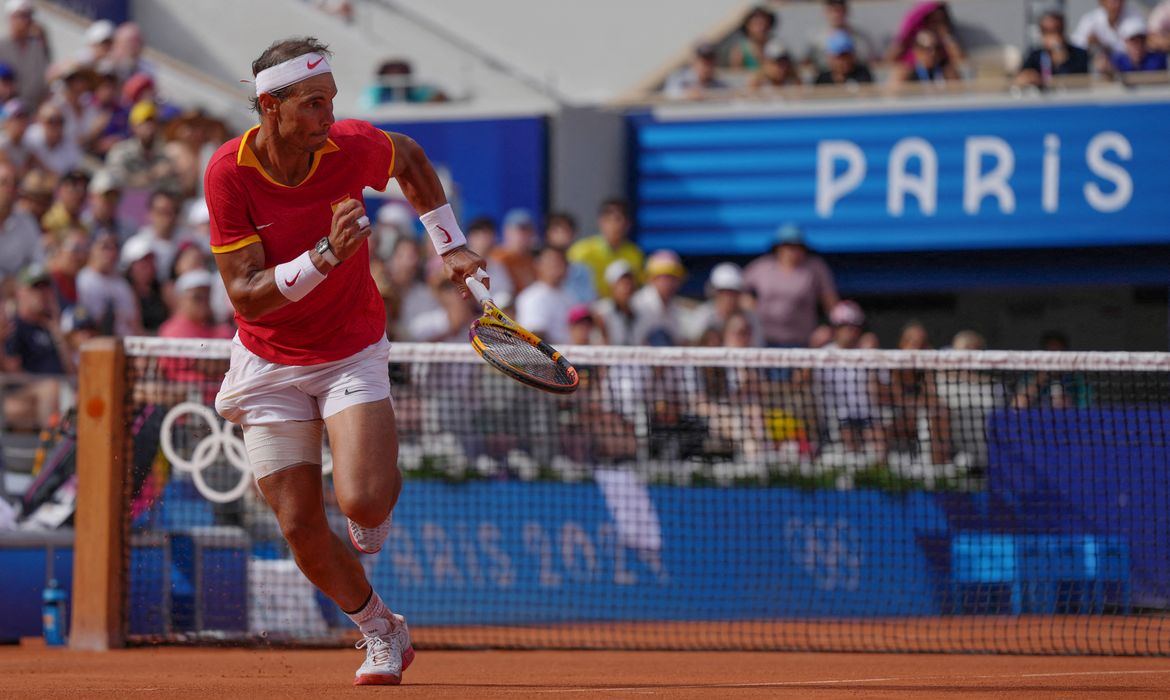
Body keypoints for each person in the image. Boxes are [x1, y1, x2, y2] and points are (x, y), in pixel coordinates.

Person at [205, 37, 485, 686]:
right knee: (301, 525)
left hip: (348, 350)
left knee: (361, 502)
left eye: (330, 99)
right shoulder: (227, 171)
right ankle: (381, 630)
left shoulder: (349, 144)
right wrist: (325, 258)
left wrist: (451, 246)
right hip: (267, 359)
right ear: (271, 108)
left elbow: (410, 159)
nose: (329, 115)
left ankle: (375, 495)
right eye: (312, 103)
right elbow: (247, 292)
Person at [743, 223, 838, 348]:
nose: (792, 251)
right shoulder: (762, 267)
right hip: (764, 342)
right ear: (778, 248)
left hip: (803, 342)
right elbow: (738, 291)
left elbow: (831, 303)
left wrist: (831, 329)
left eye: (796, 246)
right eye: (787, 246)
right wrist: (747, 306)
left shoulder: (815, 268)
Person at [568, 197, 643, 298]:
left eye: (621, 220)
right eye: (611, 219)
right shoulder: (581, 251)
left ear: (628, 224)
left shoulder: (634, 253)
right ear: (601, 221)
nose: (617, 225)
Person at [76, 231, 140, 336]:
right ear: (92, 249)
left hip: (125, 345)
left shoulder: (122, 284)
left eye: (114, 248)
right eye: (104, 247)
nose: (110, 253)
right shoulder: (82, 280)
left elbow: (135, 323)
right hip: (97, 345)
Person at [106, 101, 180, 191]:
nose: (150, 126)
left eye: (153, 122)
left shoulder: (164, 154)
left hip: (152, 202)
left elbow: (173, 188)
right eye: (145, 122)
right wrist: (153, 174)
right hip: (126, 201)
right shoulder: (121, 151)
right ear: (133, 127)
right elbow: (117, 182)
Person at [1016, 11, 1091, 88]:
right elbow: (1022, 76)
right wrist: (1029, 77)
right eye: (1046, 31)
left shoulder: (1079, 54)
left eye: (1056, 30)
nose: (1051, 36)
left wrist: (1061, 59)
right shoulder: (1035, 55)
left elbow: (1079, 79)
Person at [515, 246, 573, 345]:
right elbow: (534, 336)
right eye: (553, 263)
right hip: (549, 357)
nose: (558, 267)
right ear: (538, 265)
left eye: (561, 262)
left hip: (571, 354)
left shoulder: (568, 294)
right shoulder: (532, 296)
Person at [630, 249, 690, 345]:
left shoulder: (674, 307)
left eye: (673, 277)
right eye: (664, 277)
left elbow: (679, 341)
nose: (669, 283)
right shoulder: (639, 304)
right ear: (651, 279)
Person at [124, 189, 184, 281]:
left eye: (173, 211)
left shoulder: (187, 243)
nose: (167, 218)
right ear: (150, 213)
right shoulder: (136, 245)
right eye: (162, 211)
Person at [0, 0, 50, 107]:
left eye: (28, 16)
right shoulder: (2, 45)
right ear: (11, 18)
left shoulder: (37, 47)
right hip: (7, 109)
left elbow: (43, 78)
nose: (26, 21)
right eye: (21, 16)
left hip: (32, 108)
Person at [158, 269, 234, 340]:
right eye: (197, 296)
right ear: (181, 299)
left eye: (207, 295)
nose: (204, 301)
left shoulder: (224, 331)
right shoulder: (172, 331)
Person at [0, 160, 41, 286]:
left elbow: (38, 260)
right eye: (4, 183)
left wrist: (22, 282)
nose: (10, 188)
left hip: (21, 287)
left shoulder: (27, 220)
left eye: (15, 183)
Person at [543, 211, 595, 305]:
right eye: (557, 230)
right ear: (548, 234)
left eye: (566, 230)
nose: (562, 234)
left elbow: (589, 300)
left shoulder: (582, 269)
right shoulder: (537, 266)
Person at [808, 0, 879, 69]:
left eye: (839, 10)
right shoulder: (816, 39)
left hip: (857, 77)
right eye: (831, 10)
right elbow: (810, 63)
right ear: (825, 12)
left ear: (846, 11)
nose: (836, 15)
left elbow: (871, 61)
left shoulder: (861, 38)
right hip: (825, 78)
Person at [888, 29, 960, 91]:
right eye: (927, 48)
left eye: (937, 48)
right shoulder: (906, 72)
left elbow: (959, 95)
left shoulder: (947, 70)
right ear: (916, 50)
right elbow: (891, 98)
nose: (933, 53)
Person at [490, 208, 538, 295]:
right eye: (520, 230)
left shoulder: (531, 260)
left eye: (528, 230)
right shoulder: (497, 258)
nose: (524, 235)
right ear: (507, 231)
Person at [592, 259, 639, 345]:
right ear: (612, 286)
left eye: (630, 282)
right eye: (622, 283)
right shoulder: (600, 311)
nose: (627, 287)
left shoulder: (640, 310)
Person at [1071, 0, 1142, 57]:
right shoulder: (1090, 19)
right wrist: (1090, 44)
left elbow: (1136, 49)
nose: (1117, 3)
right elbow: (1076, 46)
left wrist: (1102, 46)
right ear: (1102, 2)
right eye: (1113, 1)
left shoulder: (1134, 17)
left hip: (1127, 67)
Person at [80, 169, 135, 242]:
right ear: (92, 197)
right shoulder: (80, 226)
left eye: (115, 196)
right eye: (107, 195)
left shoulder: (129, 230)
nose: (111, 201)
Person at [663, 42, 728, 100]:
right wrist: (686, 95)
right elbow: (668, 94)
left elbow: (730, 96)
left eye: (710, 61)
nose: (707, 66)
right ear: (693, 61)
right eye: (703, 61)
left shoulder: (719, 85)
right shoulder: (679, 78)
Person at [40, 168, 88, 240]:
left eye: (84, 186)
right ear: (61, 189)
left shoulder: (83, 226)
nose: (80, 192)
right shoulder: (49, 220)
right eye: (74, 185)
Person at [727, 5, 777, 70]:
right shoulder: (739, 51)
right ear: (748, 26)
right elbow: (736, 76)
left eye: (765, 23)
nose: (762, 28)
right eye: (757, 24)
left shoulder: (777, 46)